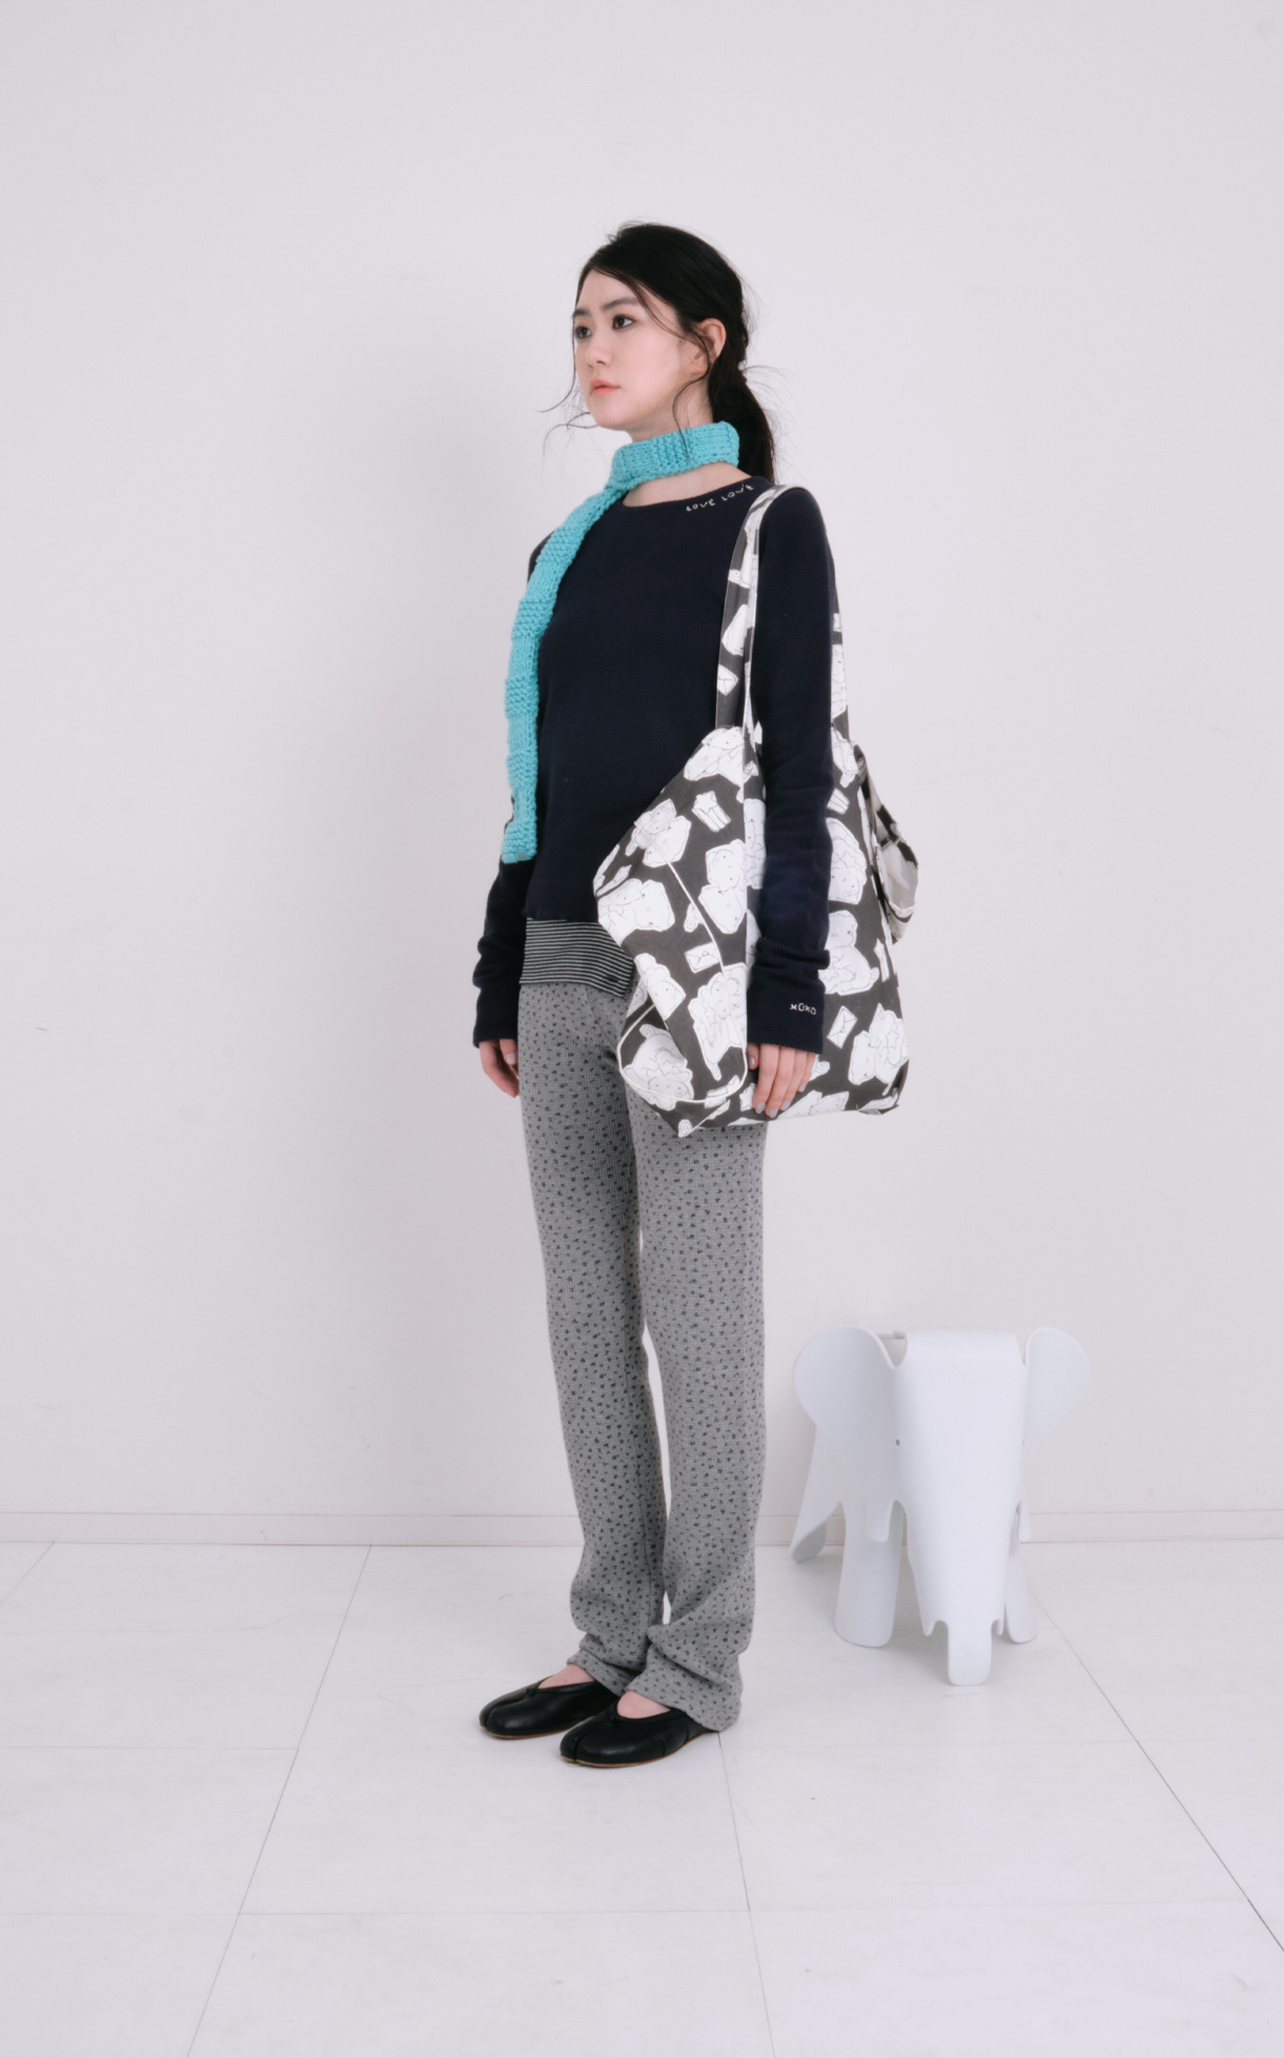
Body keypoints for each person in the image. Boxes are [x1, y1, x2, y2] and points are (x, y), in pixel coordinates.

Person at [472, 223, 836, 1768]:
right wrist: (499, 966)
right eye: (579, 326)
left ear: (705, 342)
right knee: (583, 1312)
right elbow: (535, 785)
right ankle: (611, 1622)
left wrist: (789, 996)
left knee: (699, 1316)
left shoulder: (769, 525)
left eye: (624, 320)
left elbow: (798, 770)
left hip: (704, 976)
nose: (594, 350)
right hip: (561, 953)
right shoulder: (566, 548)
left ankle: (699, 1655)